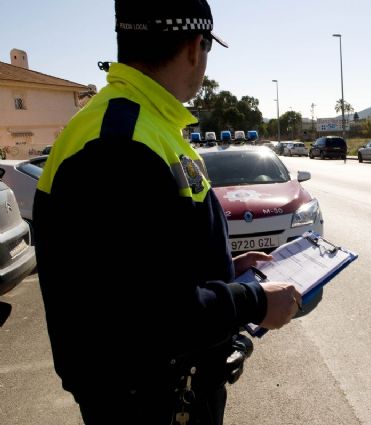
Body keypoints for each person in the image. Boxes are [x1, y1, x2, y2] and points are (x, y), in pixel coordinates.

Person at [33, 1, 301, 424]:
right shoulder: (122, 144)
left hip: (166, 388)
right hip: (147, 399)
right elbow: (152, 316)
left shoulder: (139, 126)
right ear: (195, 47)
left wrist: (225, 269)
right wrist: (253, 301)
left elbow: (138, 270)